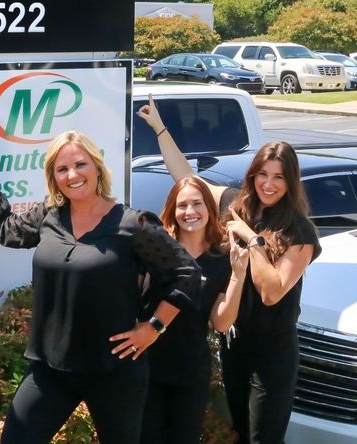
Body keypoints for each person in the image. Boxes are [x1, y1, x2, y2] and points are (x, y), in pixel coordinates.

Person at [0, 129, 201, 444]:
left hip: (115, 371)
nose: (72, 175)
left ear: (97, 167)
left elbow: (186, 272)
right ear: (54, 177)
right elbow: (6, 230)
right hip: (50, 370)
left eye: (80, 164)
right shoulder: (48, 216)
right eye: (62, 169)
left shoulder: (133, 225)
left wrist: (154, 327)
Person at [137, 95, 322, 444]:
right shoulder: (237, 205)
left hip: (273, 351)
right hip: (234, 343)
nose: (269, 184)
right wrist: (159, 127)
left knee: (262, 438)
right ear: (252, 176)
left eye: (279, 177)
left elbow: (271, 292)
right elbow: (187, 179)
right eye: (262, 175)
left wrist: (252, 240)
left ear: (290, 182)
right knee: (238, 431)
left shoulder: (300, 232)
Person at [140, 176, 249, 444]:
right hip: (145, 367)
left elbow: (222, 323)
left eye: (197, 204)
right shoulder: (155, 250)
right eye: (182, 205)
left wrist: (238, 274)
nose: (190, 212)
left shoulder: (221, 259)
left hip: (190, 371)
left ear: (209, 209)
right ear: (172, 211)